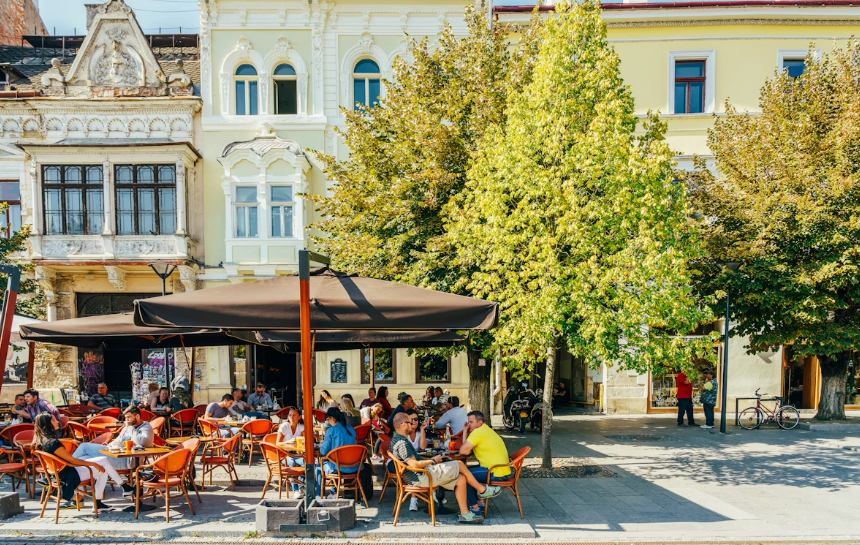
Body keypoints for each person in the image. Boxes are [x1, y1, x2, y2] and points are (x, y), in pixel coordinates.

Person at [389, 412, 500, 524]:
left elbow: (414, 461)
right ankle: (483, 490)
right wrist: (433, 461)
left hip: (421, 475)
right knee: (460, 464)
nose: (413, 424)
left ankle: (465, 514)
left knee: (461, 478)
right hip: (422, 477)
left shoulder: (396, 440)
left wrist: (432, 459)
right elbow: (414, 464)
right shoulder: (402, 443)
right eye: (410, 422)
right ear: (403, 424)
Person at [33, 413, 127, 510]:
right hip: (68, 475)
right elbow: (72, 460)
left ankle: (100, 501)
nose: (57, 421)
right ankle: (109, 495)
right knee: (103, 465)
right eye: (53, 420)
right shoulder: (52, 443)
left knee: (103, 466)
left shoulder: (41, 441)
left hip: (59, 473)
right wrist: (93, 464)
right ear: (47, 424)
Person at [459, 410, 511, 513]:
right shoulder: (486, 430)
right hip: (501, 471)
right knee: (468, 472)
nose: (469, 424)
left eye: (471, 422)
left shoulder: (478, 432)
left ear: (480, 423)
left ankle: (475, 508)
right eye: (468, 422)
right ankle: (480, 503)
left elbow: (463, 451)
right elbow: (465, 448)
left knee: (464, 475)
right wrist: (465, 431)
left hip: (494, 472)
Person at [317, 407, 357, 497]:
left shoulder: (331, 431)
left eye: (328, 419)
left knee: (319, 467)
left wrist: (321, 446)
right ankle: (333, 491)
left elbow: (323, 451)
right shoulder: (351, 429)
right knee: (335, 460)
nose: (328, 421)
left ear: (332, 418)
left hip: (338, 467)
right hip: (354, 467)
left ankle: (319, 495)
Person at [276, 407, 306, 498]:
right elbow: (277, 443)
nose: (291, 418)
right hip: (285, 454)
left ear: (299, 417)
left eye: (294, 415)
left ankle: (301, 486)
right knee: (292, 463)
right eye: (290, 415)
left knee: (306, 463)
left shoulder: (301, 426)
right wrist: (288, 442)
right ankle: (295, 490)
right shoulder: (284, 426)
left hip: (298, 453)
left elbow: (306, 440)